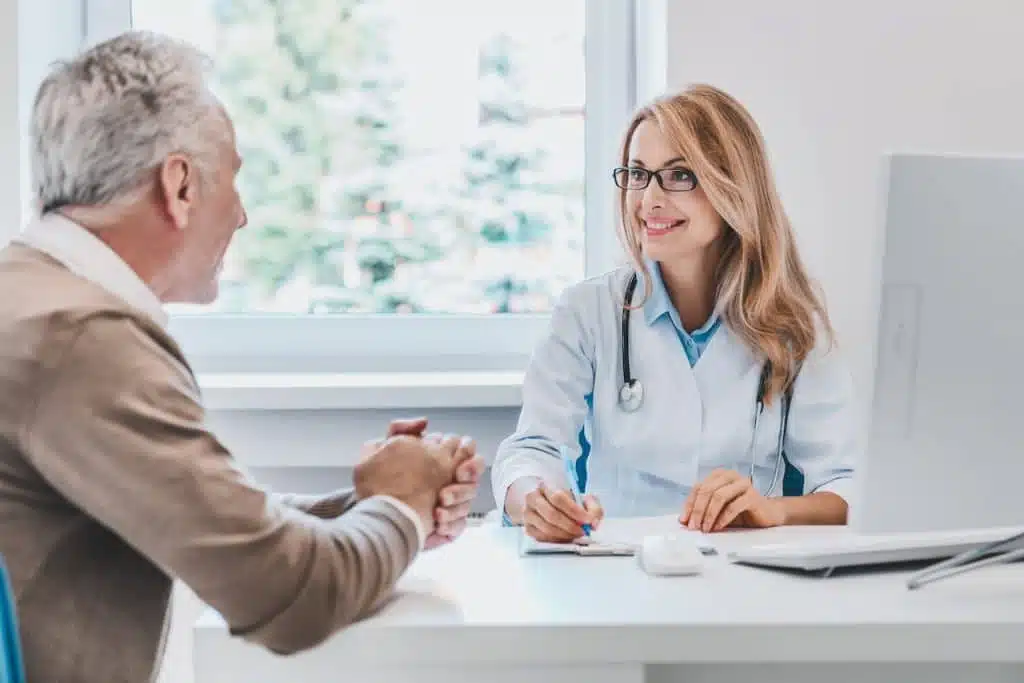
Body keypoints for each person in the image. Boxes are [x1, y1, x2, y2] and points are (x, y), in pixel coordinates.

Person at [0, 30, 483, 683]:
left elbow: (209, 523)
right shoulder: (83, 338)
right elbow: (292, 598)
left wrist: (370, 502)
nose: (245, 215)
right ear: (180, 185)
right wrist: (401, 507)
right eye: (234, 178)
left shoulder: (31, 298)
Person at [492, 84, 859, 542]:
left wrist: (771, 510)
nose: (648, 199)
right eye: (638, 174)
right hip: (614, 562)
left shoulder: (793, 327)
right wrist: (537, 500)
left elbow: (848, 485)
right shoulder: (589, 312)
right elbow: (531, 448)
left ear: (734, 189)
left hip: (741, 567)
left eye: (679, 175)